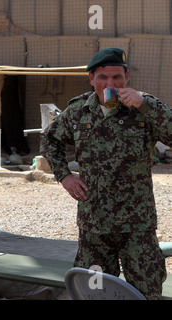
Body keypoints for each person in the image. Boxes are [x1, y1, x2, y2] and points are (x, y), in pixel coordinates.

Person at [42, 47, 172, 299]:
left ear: (126, 78)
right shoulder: (79, 111)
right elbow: (50, 140)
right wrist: (65, 176)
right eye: (103, 77)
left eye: (117, 77)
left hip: (137, 222)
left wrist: (146, 105)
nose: (109, 83)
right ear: (92, 79)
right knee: (95, 290)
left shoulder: (142, 109)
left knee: (147, 289)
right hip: (94, 223)